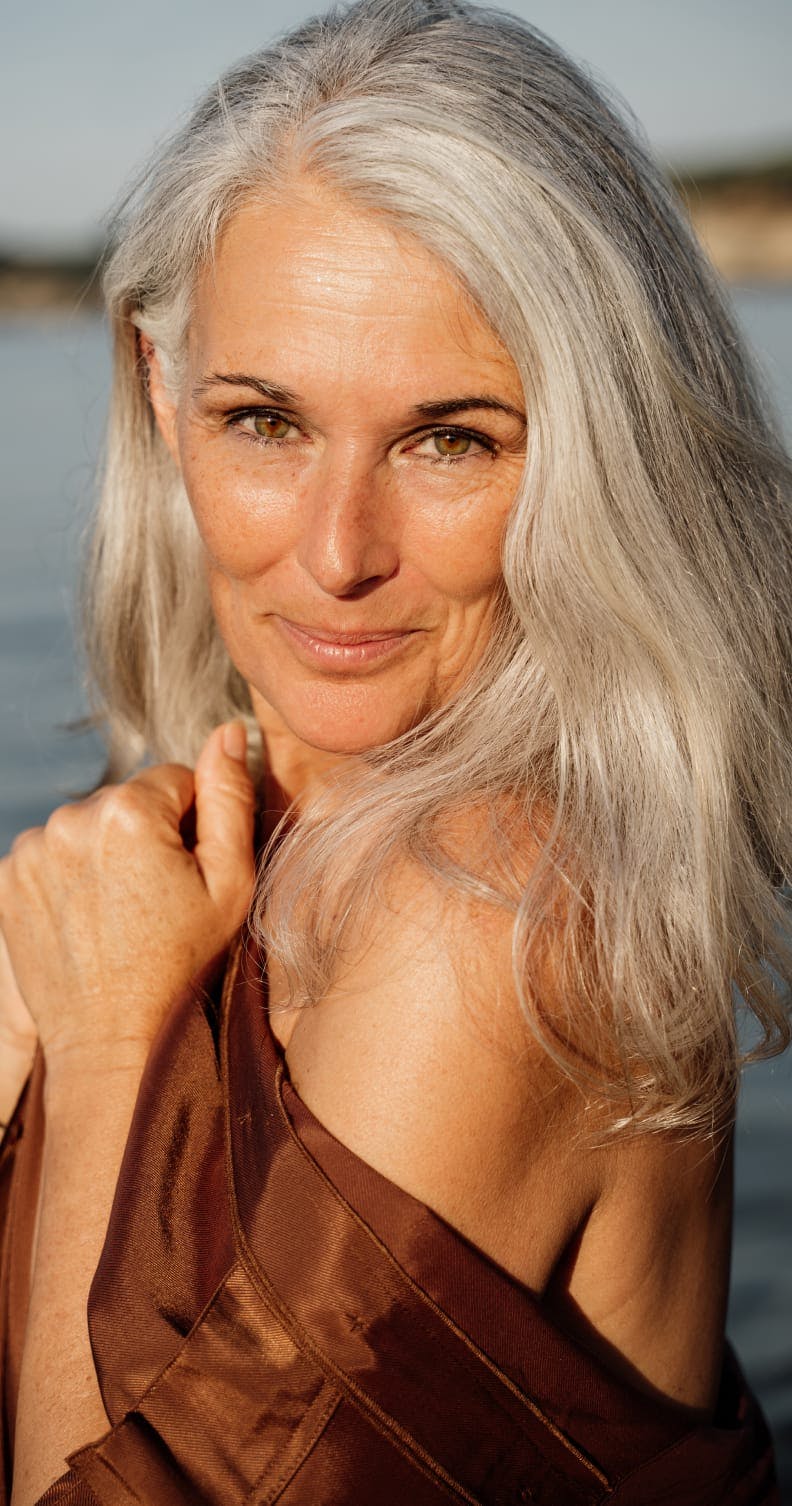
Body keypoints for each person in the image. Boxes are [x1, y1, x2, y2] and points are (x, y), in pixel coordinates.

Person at [1, 0, 790, 1500]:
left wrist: (103, 1050)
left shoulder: (495, 910)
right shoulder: (210, 813)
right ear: (163, 394)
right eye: (266, 420)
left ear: (598, 453)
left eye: (453, 440)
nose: (336, 550)